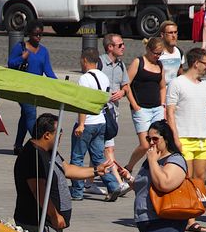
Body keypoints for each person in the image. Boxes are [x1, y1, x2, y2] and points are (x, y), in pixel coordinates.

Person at [166, 47, 206, 232]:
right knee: (185, 178)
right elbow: (170, 112)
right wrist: (175, 137)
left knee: (200, 178)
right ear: (196, 63)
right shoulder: (177, 83)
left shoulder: (205, 85)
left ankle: (193, 212)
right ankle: (187, 218)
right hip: (184, 137)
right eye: (205, 63)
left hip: (203, 139)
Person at [69, 48, 124, 201]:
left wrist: (81, 124)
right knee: (99, 157)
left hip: (87, 123)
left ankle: (77, 192)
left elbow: (83, 103)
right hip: (101, 121)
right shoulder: (104, 77)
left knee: (77, 158)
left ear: (84, 60)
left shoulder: (84, 79)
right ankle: (113, 186)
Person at [7, 20, 56, 154]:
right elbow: (10, 63)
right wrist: (22, 57)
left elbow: (48, 71)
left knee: (25, 116)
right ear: (29, 34)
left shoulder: (44, 51)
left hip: (36, 89)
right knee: (30, 114)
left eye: (41, 35)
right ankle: (40, 143)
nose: (38, 37)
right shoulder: (21, 47)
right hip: (21, 88)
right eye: (35, 35)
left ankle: (18, 146)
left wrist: (58, 84)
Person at [123, 37, 166, 173]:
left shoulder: (160, 65)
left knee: (158, 142)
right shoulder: (138, 62)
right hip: (141, 109)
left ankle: (153, 170)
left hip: (157, 108)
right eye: (155, 53)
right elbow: (126, 84)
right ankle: (129, 166)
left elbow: (162, 86)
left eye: (160, 53)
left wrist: (163, 105)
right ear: (148, 49)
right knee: (145, 144)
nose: (157, 56)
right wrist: (135, 105)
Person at [98, 32, 129, 168]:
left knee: (103, 147)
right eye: (120, 45)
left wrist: (122, 92)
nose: (124, 47)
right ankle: (114, 180)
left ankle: (90, 180)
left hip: (113, 113)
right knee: (106, 147)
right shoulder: (99, 63)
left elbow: (126, 86)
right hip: (99, 112)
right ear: (110, 47)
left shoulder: (121, 65)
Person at [158, 20, 184, 87]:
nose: (173, 36)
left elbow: (180, 74)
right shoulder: (157, 53)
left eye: (175, 32)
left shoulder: (179, 52)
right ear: (162, 35)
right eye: (170, 33)